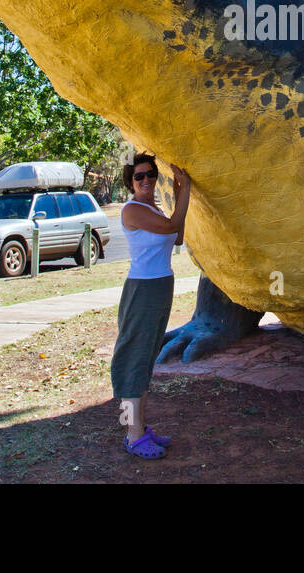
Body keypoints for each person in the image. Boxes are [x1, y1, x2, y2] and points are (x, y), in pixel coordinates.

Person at [112, 153, 189, 459]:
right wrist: (185, 191)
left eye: (150, 175)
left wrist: (182, 197)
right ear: (130, 183)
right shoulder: (132, 210)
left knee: (145, 361)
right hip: (142, 290)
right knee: (134, 359)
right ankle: (132, 434)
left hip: (160, 286)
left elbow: (178, 235)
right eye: (139, 176)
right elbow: (174, 224)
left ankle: (141, 428)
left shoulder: (152, 208)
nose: (146, 180)